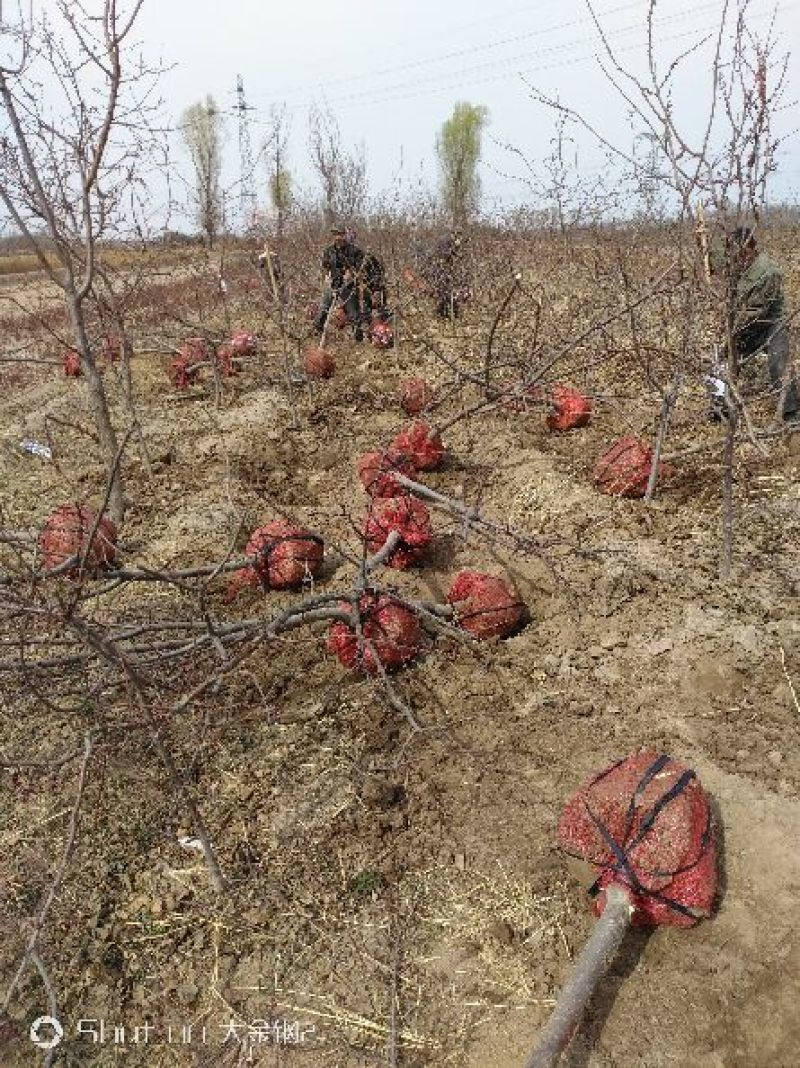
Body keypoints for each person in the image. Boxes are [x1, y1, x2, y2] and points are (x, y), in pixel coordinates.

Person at [708, 227, 798, 423]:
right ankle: (720, 407)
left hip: (772, 324)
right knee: (721, 360)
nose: (733, 257)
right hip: (745, 324)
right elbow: (714, 259)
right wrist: (701, 240)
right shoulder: (737, 262)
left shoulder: (768, 272)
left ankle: (791, 413)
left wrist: (726, 323)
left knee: (778, 363)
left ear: (748, 249)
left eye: (738, 252)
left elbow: (755, 312)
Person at [314, 224, 365, 340]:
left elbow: (360, 267)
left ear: (345, 235)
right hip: (333, 283)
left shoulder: (354, 251)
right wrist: (327, 277)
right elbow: (325, 266)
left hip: (349, 285)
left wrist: (351, 274)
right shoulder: (328, 251)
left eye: (340, 234)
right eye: (335, 235)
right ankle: (317, 331)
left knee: (353, 312)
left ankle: (358, 336)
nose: (338, 237)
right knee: (324, 308)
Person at [421, 230, 468, 319]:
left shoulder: (449, 241)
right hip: (437, 270)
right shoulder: (445, 241)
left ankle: (447, 313)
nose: (460, 240)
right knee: (443, 292)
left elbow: (452, 257)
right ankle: (444, 314)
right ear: (455, 235)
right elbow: (444, 256)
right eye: (459, 237)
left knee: (446, 292)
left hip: (440, 270)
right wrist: (455, 251)